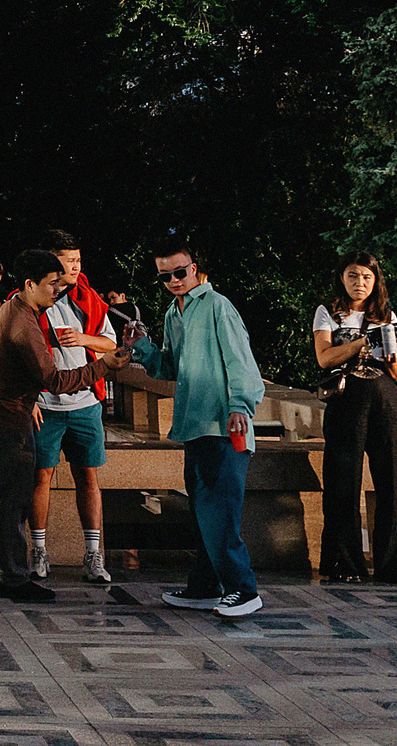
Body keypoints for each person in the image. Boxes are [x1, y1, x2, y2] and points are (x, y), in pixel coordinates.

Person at [130, 241, 266, 619]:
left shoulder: (218, 306)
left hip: (224, 427)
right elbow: (170, 367)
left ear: (194, 268)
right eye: (166, 276)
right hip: (194, 427)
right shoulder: (174, 313)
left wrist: (240, 406)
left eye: (180, 272)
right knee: (205, 514)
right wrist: (142, 347)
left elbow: (241, 360)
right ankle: (206, 587)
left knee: (220, 513)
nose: (174, 280)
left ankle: (243, 590)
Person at [0, 250, 111, 602]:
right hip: (7, 418)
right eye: (52, 284)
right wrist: (105, 366)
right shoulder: (25, 323)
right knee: (13, 499)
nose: (58, 291)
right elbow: (55, 380)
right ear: (30, 284)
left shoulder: (12, 307)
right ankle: (13, 579)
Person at [312, 252, 397, 584]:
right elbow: (324, 358)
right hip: (346, 401)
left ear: (375, 280)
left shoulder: (387, 315)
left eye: (367, 277)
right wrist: (361, 343)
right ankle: (344, 561)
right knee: (343, 481)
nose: (360, 283)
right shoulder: (328, 313)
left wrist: (392, 354)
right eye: (353, 276)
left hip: (385, 399)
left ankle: (392, 563)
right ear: (342, 278)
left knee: (390, 482)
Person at [33, 232, 116, 584]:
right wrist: (26, 398)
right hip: (44, 404)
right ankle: (38, 551)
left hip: (84, 402)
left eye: (78, 260)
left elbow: (110, 343)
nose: (76, 266)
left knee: (88, 476)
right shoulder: (30, 296)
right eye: (69, 260)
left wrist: (82, 339)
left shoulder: (88, 299)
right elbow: (11, 352)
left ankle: (94, 554)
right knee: (41, 476)